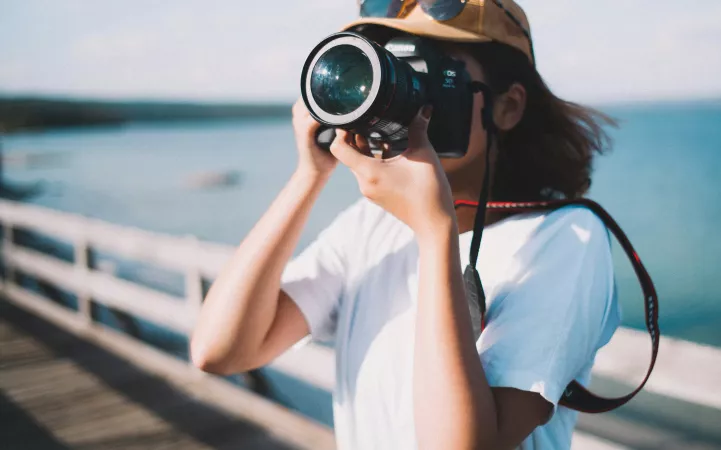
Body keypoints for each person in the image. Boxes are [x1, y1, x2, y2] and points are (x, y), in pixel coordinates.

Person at [191, 1, 620, 449]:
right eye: (394, 68)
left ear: (507, 107)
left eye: (432, 73)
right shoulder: (370, 227)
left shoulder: (564, 239)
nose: (411, 98)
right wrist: (310, 174)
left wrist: (437, 234)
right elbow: (221, 350)